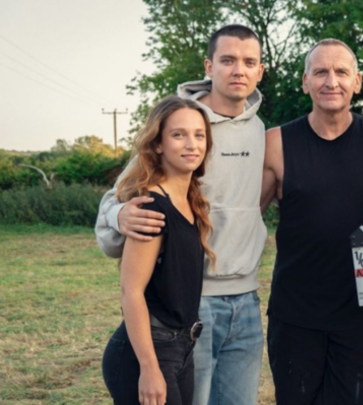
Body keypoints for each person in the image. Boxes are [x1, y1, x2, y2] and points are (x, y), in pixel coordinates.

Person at [95, 24, 266, 405]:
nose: (238, 69)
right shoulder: (179, 125)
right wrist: (119, 214)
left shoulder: (261, 133)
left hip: (247, 302)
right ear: (209, 66)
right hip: (193, 302)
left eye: (248, 62)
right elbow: (117, 197)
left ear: (260, 71)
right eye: (227, 60)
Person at [261, 39, 363, 405]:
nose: (332, 81)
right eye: (320, 72)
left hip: (359, 314)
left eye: (341, 72)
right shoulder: (276, 142)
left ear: (357, 81)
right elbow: (241, 211)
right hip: (295, 312)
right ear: (305, 82)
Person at [101, 96, 214, 405]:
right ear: (159, 144)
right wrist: (150, 369)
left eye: (199, 134)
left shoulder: (190, 201)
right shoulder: (151, 207)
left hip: (183, 347)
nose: (192, 143)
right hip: (148, 353)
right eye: (179, 134)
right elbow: (131, 291)